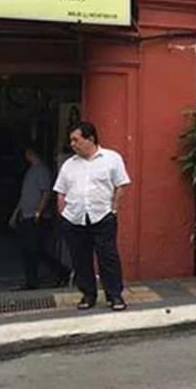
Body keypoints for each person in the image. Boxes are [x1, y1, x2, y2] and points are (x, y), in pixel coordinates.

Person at [53, 122, 131, 311]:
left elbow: (122, 184)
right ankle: (88, 295)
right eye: (71, 140)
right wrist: (63, 214)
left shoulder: (111, 159)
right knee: (80, 259)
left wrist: (113, 208)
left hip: (102, 216)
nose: (72, 144)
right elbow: (60, 191)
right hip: (75, 218)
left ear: (90, 139)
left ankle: (114, 295)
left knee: (108, 257)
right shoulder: (69, 165)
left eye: (76, 139)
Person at [8, 145, 70, 290]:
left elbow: (45, 193)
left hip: (36, 217)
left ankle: (59, 272)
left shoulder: (42, 170)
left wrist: (39, 212)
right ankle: (33, 280)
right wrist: (16, 213)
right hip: (26, 214)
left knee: (35, 249)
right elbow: (24, 196)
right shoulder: (31, 171)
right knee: (29, 249)